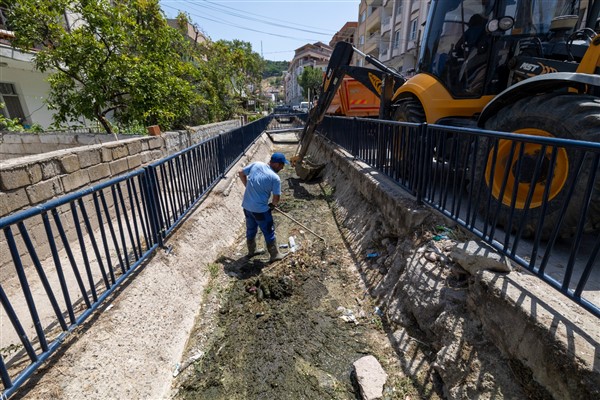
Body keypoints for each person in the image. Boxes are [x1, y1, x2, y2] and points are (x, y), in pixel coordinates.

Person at [238, 152, 289, 261]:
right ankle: (275, 255)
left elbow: (241, 173)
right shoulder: (275, 178)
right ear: (276, 164)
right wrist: (273, 205)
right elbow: (276, 198)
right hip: (260, 210)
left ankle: (251, 251)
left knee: (251, 229)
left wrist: (247, 186)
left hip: (247, 207)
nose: (282, 167)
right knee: (268, 231)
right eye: (282, 165)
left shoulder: (257, 164)